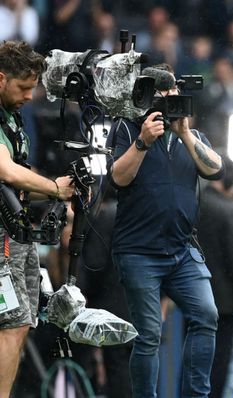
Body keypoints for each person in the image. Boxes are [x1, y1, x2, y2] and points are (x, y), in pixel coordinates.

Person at [109, 63, 223, 398]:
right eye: (163, 96)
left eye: (174, 96)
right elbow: (118, 178)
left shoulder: (193, 137)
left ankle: (195, 395)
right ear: (145, 97)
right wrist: (143, 142)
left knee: (207, 315)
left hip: (182, 249)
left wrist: (185, 132)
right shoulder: (128, 129)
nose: (170, 103)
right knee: (148, 334)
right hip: (138, 250)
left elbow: (215, 170)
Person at [0, 40, 75, 398]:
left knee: (20, 325)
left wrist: (65, 189)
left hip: (15, 235)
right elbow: (6, 171)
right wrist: (55, 189)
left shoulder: (11, 117)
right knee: (10, 326)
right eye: (24, 87)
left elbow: (18, 184)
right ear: (0, 79)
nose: (31, 97)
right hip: (1, 240)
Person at [196, 155, 233, 398]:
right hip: (225, 304)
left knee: (195, 365)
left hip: (194, 298)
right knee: (218, 367)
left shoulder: (195, 203)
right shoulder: (230, 211)